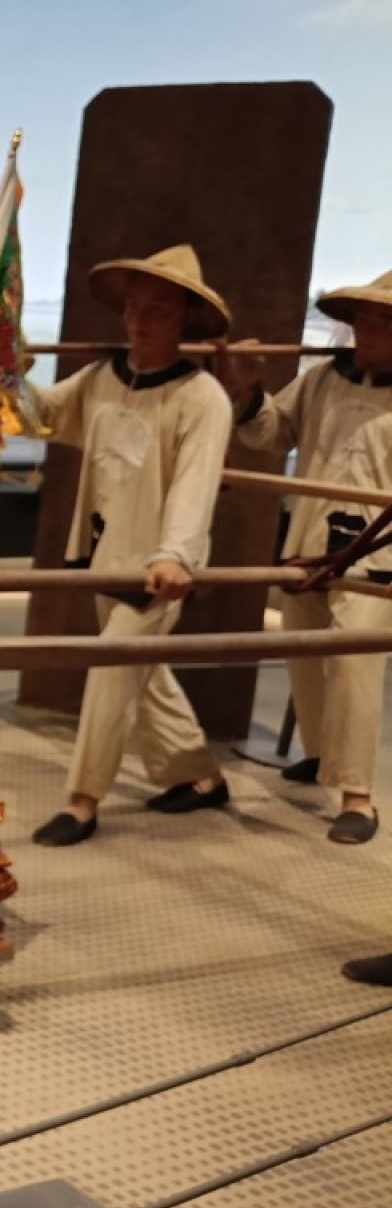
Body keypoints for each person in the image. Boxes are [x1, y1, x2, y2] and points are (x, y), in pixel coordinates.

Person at [30, 245, 233, 847]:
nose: (140, 321)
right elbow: (43, 415)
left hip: (156, 564)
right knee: (143, 671)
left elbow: (196, 485)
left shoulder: (202, 397)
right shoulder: (101, 378)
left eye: (158, 311)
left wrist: (175, 555)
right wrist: (5, 373)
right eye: (133, 308)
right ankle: (200, 775)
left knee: (112, 667)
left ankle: (82, 800)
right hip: (104, 550)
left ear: (185, 319)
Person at [221, 269, 392, 846]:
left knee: (354, 671)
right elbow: (271, 433)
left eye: (383, 321)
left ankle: (357, 796)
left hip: (376, 558)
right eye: (363, 319)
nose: (368, 331)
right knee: (303, 655)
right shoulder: (321, 378)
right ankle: (321, 754)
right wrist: (249, 389)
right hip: (309, 544)